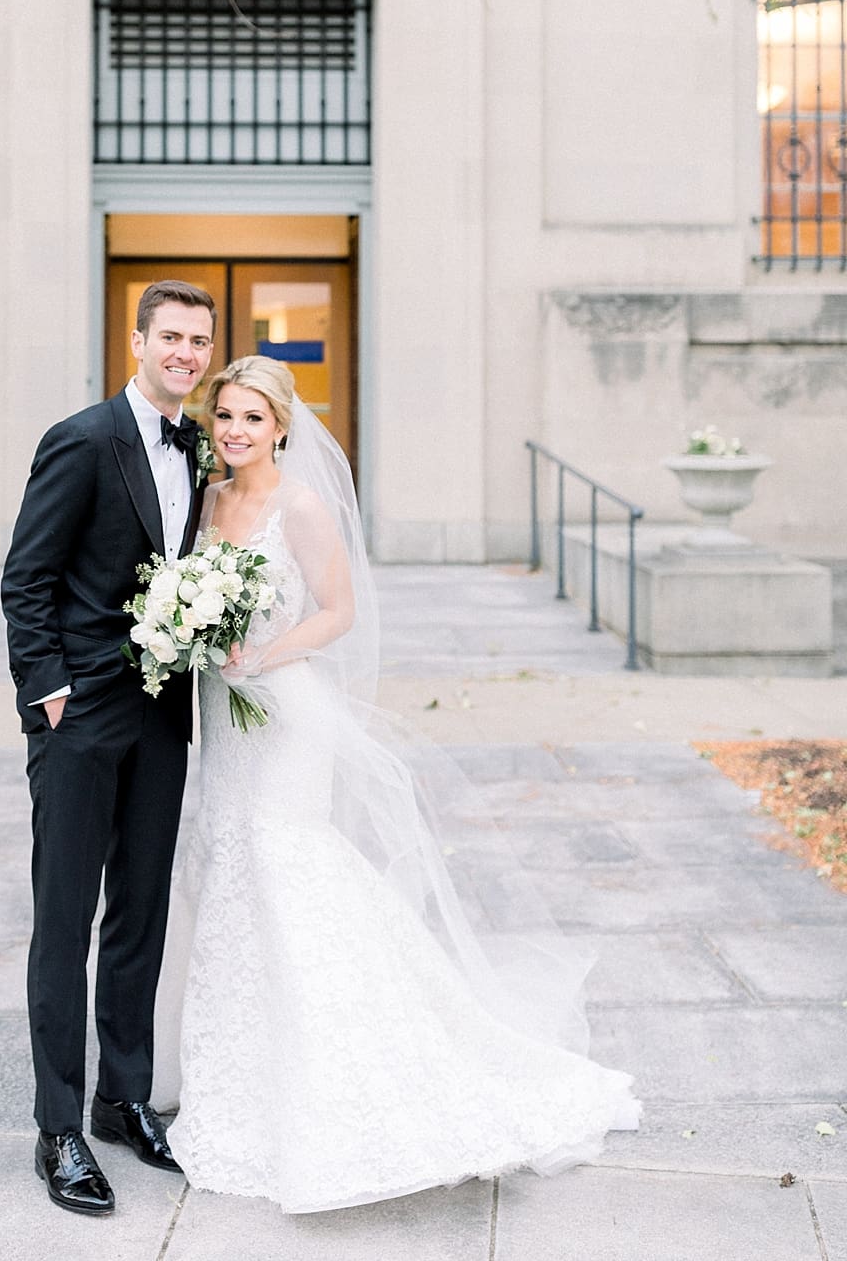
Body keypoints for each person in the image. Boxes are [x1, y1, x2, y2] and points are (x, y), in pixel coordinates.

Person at [158, 354, 641, 1214]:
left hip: (283, 712)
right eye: (224, 415)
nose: (235, 431)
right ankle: (244, 1062)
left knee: (288, 865)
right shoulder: (207, 499)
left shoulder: (298, 505)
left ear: (281, 426)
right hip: (225, 722)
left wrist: (262, 655)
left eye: (252, 419)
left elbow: (336, 610)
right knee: (228, 866)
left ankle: (348, 1071)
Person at [1, 280, 216, 1218]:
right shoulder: (83, 439)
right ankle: (58, 1128)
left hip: (165, 717)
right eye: (170, 336)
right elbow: (27, 578)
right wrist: (48, 694)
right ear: (136, 342)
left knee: (140, 909)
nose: (185, 353)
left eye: (199, 340)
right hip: (80, 718)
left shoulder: (202, 448)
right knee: (65, 916)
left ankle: (122, 1096)